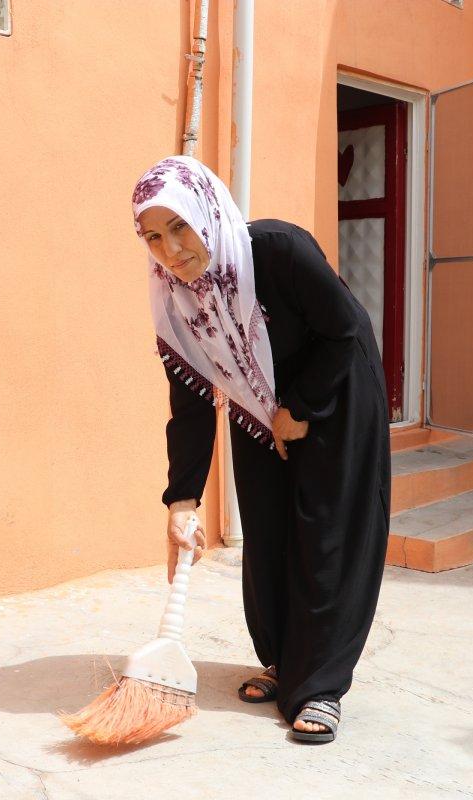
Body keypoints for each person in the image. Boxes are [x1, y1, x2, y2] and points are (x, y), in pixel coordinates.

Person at [131, 154, 391, 744]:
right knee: (269, 530)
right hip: (255, 401)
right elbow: (191, 403)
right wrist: (182, 502)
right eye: (153, 237)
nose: (171, 250)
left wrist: (298, 408)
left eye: (179, 226)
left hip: (336, 390)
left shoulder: (278, 250)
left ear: (205, 212)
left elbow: (344, 328)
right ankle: (281, 659)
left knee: (326, 533)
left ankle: (320, 684)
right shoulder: (174, 299)